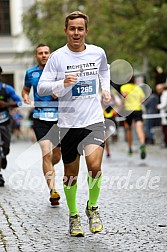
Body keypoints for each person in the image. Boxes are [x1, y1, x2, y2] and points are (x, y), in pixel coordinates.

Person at [37, 11, 111, 236]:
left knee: (95, 166)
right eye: (72, 29)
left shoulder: (98, 53)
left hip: (94, 121)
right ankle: (73, 216)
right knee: (71, 174)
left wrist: (105, 88)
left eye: (80, 29)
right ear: (66, 31)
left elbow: (105, 70)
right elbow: (41, 88)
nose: (76, 33)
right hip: (68, 124)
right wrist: (62, 82)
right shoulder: (57, 57)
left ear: (86, 31)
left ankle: (93, 208)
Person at [21, 44, 61, 206]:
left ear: (50, 55)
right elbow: (25, 89)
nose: (44, 55)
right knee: (46, 153)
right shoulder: (31, 73)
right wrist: (25, 97)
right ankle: (53, 191)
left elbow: (69, 89)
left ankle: (50, 166)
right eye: (40, 53)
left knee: (56, 156)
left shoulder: (58, 72)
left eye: (46, 53)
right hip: (40, 118)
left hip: (59, 118)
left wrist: (59, 91)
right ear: (36, 56)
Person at [0, 66, 22, 186]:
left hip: (5, 122)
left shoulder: (6, 89)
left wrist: (6, 104)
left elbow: (19, 102)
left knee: (6, 148)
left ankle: (4, 155)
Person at [120, 76, 146, 159]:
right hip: (138, 110)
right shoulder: (138, 88)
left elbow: (123, 97)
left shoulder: (124, 87)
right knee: (139, 128)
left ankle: (130, 148)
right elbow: (142, 100)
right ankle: (142, 144)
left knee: (128, 129)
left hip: (128, 110)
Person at [156, 83, 167, 148]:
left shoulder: (165, 94)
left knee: (165, 129)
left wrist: (158, 106)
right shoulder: (163, 94)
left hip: (165, 114)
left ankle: (166, 143)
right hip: (164, 114)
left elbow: (164, 104)